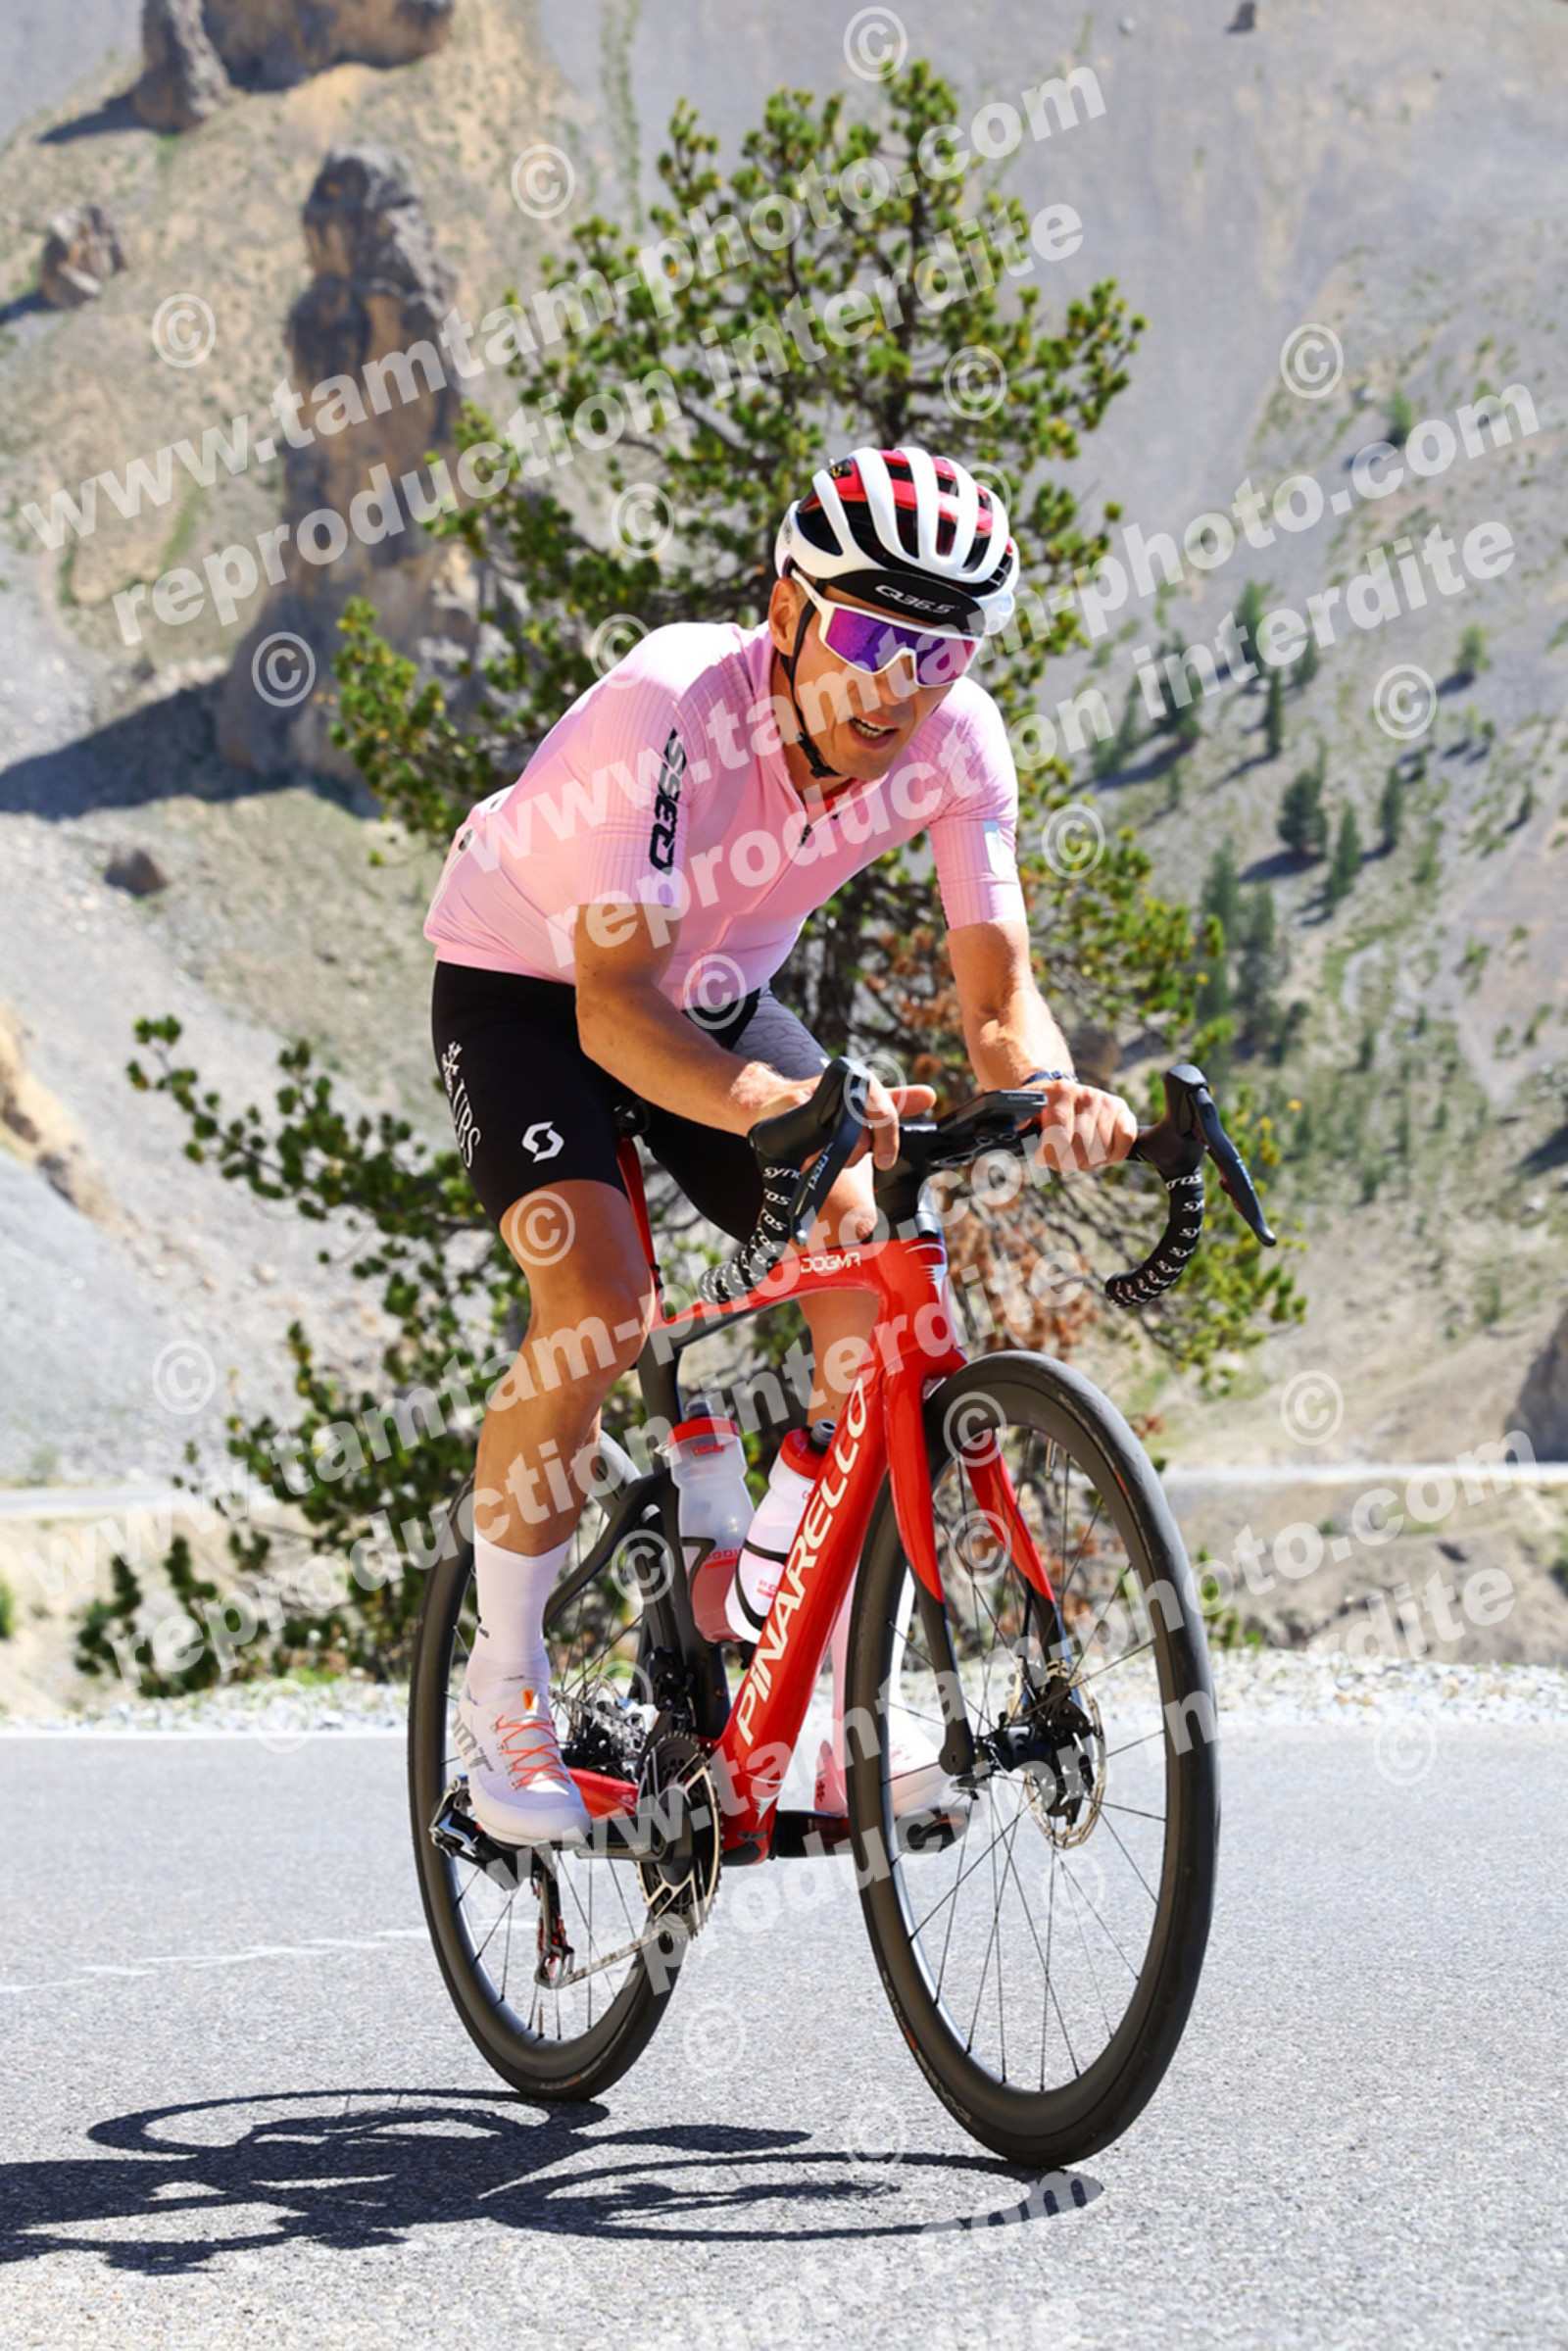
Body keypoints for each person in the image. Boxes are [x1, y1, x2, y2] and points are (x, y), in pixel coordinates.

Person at [423, 445, 1136, 1845]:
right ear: (789, 612)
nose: (900, 687)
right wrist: (770, 1104)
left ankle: (785, 1661)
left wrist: (1057, 1096)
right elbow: (612, 1011)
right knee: (598, 1302)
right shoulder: (672, 704)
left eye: (941, 654)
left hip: (709, 996)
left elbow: (1000, 1007)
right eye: (869, 640)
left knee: (867, 1260)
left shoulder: (957, 741)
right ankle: (502, 1692)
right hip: (533, 987)